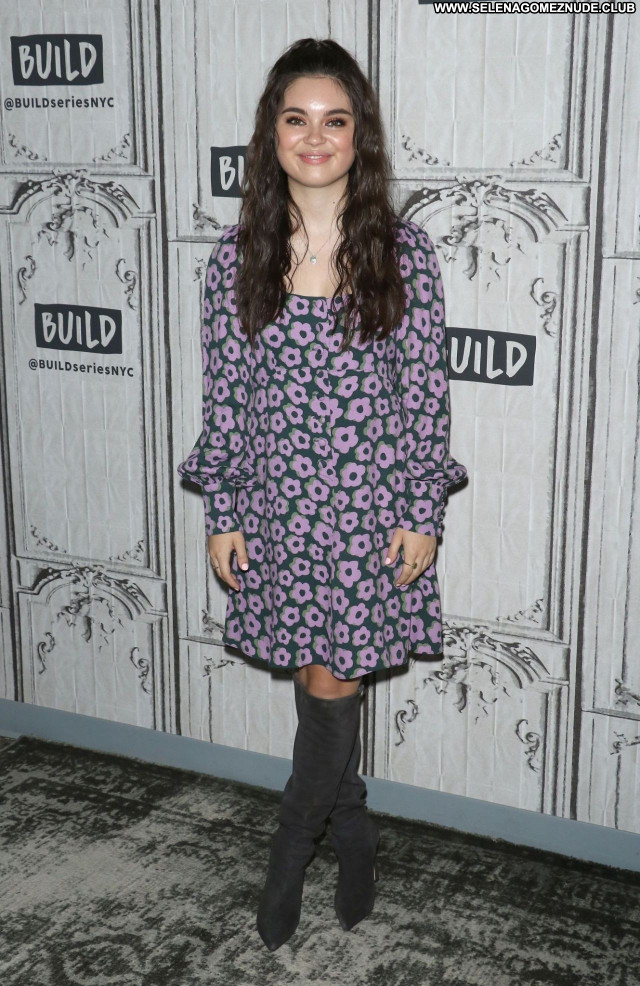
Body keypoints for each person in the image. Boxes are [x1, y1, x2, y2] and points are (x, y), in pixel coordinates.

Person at [177, 37, 468, 951]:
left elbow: (424, 399)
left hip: (369, 524)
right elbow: (226, 400)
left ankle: (288, 855)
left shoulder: (404, 254)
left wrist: (421, 513)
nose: (314, 137)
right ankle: (355, 832)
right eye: (296, 119)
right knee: (317, 689)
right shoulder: (236, 259)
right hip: (279, 519)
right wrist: (224, 512)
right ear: (271, 134)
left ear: (358, 136)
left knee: (330, 691)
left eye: (334, 120)